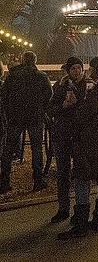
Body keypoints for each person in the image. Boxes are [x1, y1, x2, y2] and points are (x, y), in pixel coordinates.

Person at [57, 59, 98, 239]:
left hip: (88, 145)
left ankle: (80, 224)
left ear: (95, 73)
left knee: (81, 181)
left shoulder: (94, 96)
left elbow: (80, 119)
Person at [0, 51, 52, 194]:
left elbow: (4, 96)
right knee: (36, 149)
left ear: (22, 60)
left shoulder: (13, 76)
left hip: (15, 117)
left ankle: (4, 182)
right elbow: (49, 95)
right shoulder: (41, 76)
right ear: (35, 61)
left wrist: (9, 111)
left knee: (8, 149)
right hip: (35, 117)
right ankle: (38, 180)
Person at [48, 57, 92, 223]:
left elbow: (89, 109)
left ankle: (80, 209)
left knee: (81, 171)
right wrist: (63, 107)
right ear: (68, 70)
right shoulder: (60, 86)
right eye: (73, 68)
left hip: (79, 134)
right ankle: (63, 208)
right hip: (62, 133)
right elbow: (51, 108)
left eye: (78, 68)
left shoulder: (87, 86)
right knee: (63, 172)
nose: (76, 71)